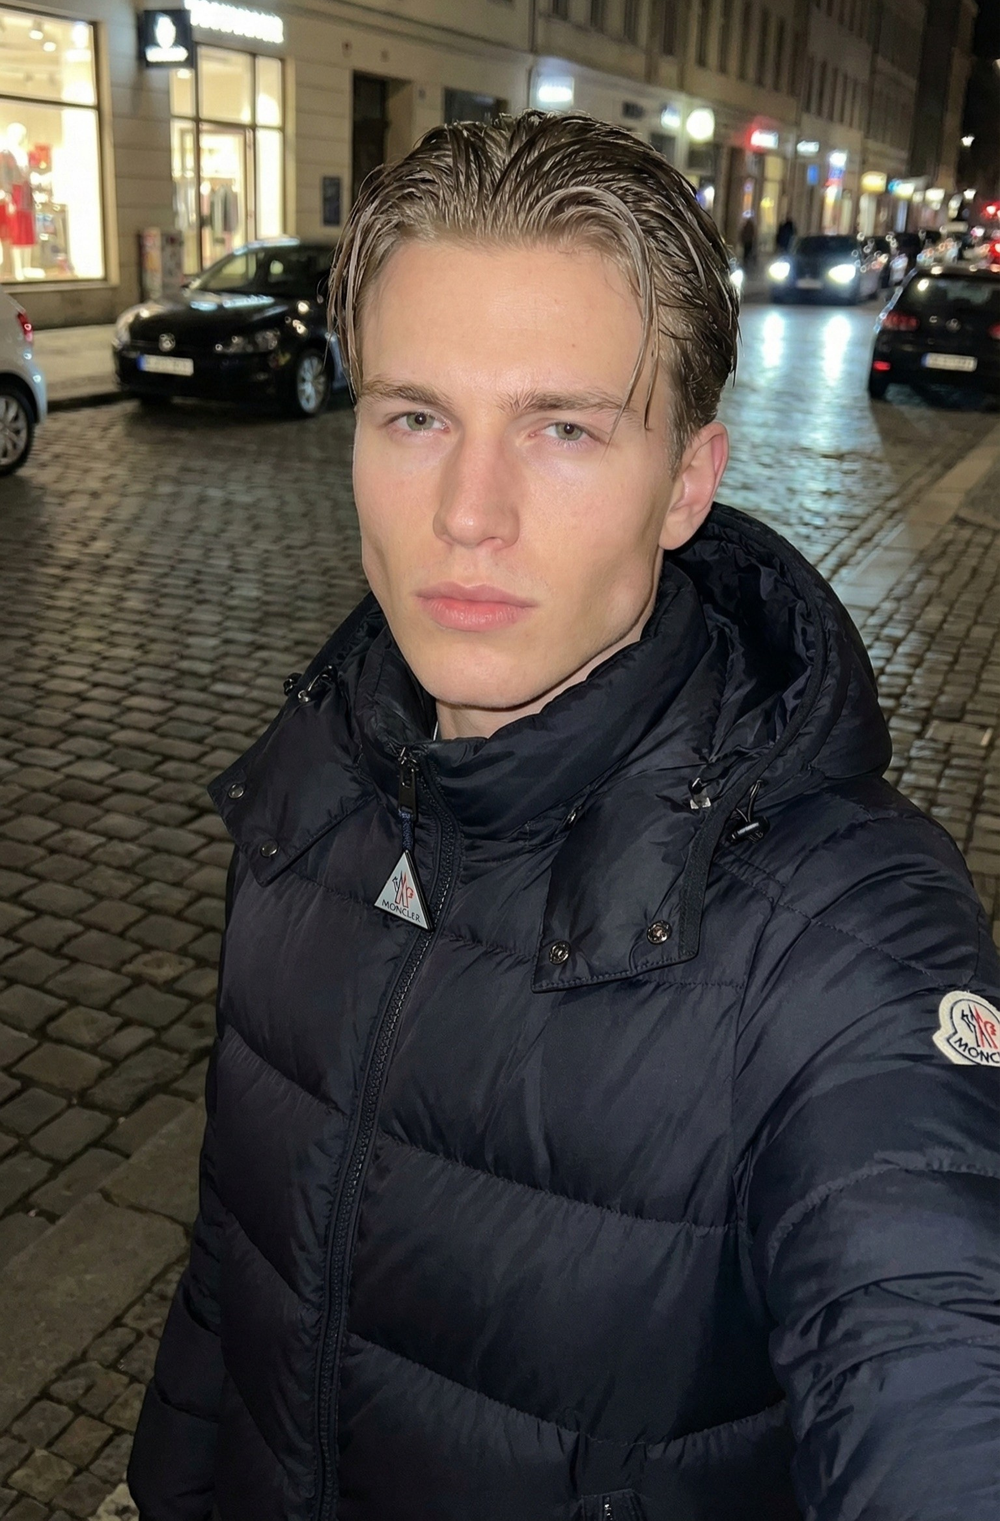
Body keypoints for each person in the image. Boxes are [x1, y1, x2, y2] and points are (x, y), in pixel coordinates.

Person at [128, 113, 999, 1521]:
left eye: (564, 428)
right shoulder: (305, 798)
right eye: (417, 417)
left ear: (688, 481)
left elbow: (936, 1366)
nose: (468, 513)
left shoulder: (847, 946)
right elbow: (233, 1281)